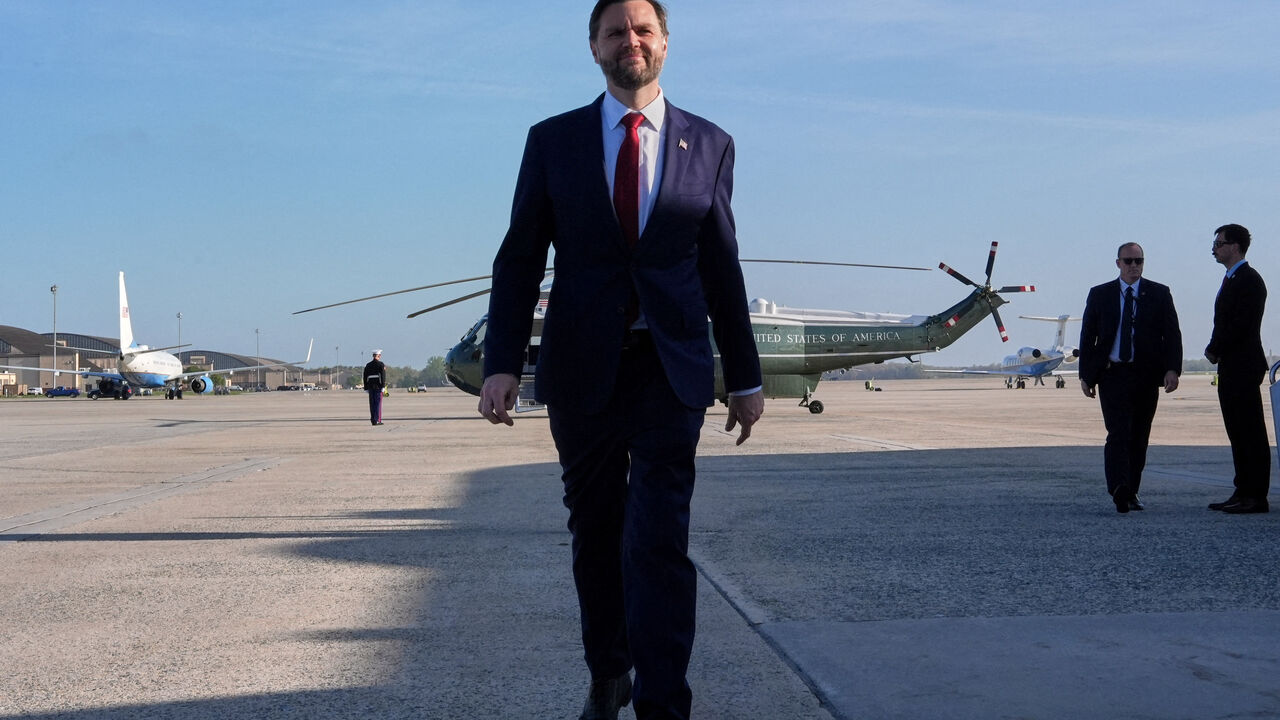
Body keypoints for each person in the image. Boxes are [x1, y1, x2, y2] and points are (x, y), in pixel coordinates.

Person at [477, 2, 764, 718]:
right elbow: (519, 258)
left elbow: (722, 267)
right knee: (596, 534)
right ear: (594, 49)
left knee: (659, 538)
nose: (629, 40)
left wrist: (746, 376)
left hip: (670, 372)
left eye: (642, 29)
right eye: (614, 31)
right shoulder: (554, 141)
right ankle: (610, 673)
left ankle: (665, 701)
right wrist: (502, 362)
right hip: (581, 371)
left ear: (663, 43)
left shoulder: (712, 143)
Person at [1079, 242, 1182, 513]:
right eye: (1129, 261)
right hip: (1113, 375)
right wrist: (1086, 376)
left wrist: (1172, 369)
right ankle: (1118, 487)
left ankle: (1131, 490)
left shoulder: (1159, 294)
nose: (1134, 266)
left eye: (1139, 261)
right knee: (1117, 433)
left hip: (1146, 376)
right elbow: (1088, 336)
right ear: (1118, 263)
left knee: (1139, 436)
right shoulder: (1100, 294)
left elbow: (1172, 334)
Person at [1205, 224, 1270, 514]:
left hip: (1242, 365)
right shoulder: (1232, 279)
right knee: (1237, 431)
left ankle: (1255, 495)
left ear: (1235, 247)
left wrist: (1214, 348)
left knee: (1250, 432)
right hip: (1231, 366)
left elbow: (1240, 324)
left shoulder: (1249, 280)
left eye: (1219, 243)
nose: (1215, 248)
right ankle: (1242, 489)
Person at [363, 349, 386, 426]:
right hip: (378, 386)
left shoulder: (368, 365)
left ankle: (373, 420)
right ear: (379, 356)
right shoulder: (381, 364)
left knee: (372, 404)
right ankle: (376, 419)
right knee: (377, 404)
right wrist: (383, 386)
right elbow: (383, 376)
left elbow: (365, 376)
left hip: (370, 386)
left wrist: (365, 387)